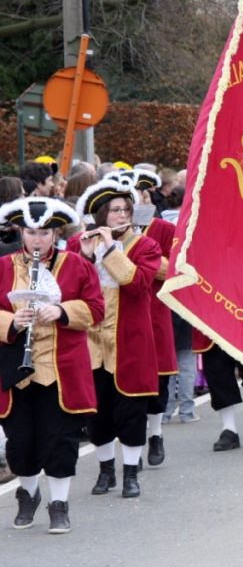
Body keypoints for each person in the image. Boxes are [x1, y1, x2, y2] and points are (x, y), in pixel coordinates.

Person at [0, 197, 103, 533]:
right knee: (20, 441)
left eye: (45, 232)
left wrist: (62, 312)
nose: (37, 240)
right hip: (15, 369)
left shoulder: (77, 265)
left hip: (61, 368)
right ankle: (27, 496)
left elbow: (96, 309)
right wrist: (12, 323)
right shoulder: (3, 266)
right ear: (21, 232)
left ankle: (59, 504)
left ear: (55, 232)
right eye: (31, 232)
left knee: (59, 438)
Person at [67, 179, 162, 498]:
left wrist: (109, 250)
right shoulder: (79, 244)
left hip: (130, 341)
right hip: (91, 342)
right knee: (98, 414)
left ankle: (131, 474)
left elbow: (136, 284)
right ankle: (106, 470)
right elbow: (69, 289)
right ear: (101, 215)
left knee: (131, 410)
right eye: (115, 210)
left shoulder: (145, 246)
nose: (122, 215)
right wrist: (84, 255)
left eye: (126, 209)